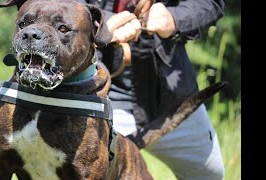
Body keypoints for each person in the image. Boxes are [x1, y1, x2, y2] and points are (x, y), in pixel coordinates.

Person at [85, 0, 226, 179]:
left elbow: (211, 3)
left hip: (170, 97)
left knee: (209, 173)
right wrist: (103, 23)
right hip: (97, 95)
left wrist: (174, 18)